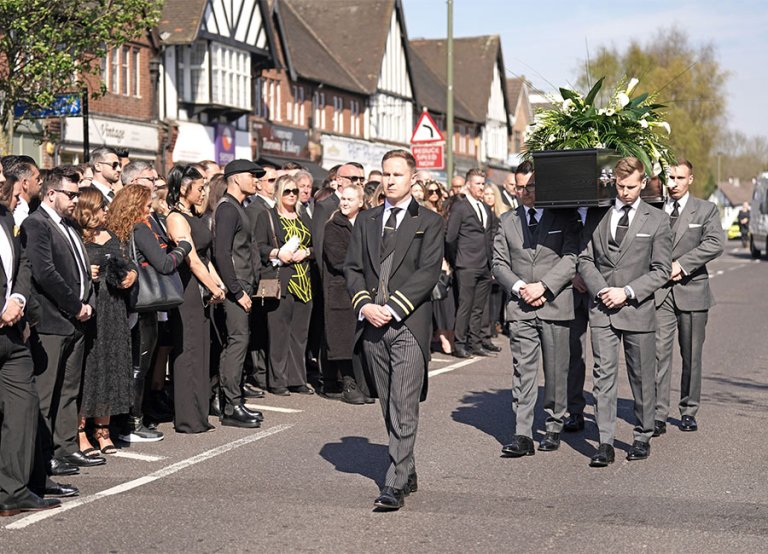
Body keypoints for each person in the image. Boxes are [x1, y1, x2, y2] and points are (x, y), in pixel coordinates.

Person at [344, 149, 444, 511]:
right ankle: (408, 467)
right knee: (388, 403)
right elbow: (352, 268)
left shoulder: (429, 222)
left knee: (404, 402)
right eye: (385, 174)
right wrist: (364, 305)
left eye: (397, 175)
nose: (389, 181)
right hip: (372, 324)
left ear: (412, 179)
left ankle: (395, 482)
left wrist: (392, 308)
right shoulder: (366, 219)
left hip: (408, 324)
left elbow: (428, 272)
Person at [578, 157, 672, 466]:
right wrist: (601, 289)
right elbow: (585, 258)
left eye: (631, 186)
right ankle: (605, 442)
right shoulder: (598, 214)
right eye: (620, 186)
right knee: (603, 376)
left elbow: (661, 270)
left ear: (643, 183)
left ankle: (642, 435)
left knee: (641, 376)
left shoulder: (657, 220)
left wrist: (627, 292)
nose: (625, 192)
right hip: (602, 308)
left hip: (637, 309)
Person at [492, 171, 579, 456]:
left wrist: (543, 286)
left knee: (556, 371)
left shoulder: (564, 217)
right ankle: (523, 434)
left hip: (555, 304)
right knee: (523, 371)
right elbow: (499, 264)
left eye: (530, 186)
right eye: (519, 187)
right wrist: (520, 288)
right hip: (521, 307)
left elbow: (571, 258)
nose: (524, 192)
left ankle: (553, 425)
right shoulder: (507, 220)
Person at [22, 167, 103, 472]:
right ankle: (43, 457)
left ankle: (66, 446)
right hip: (52, 320)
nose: (76, 200)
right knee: (47, 392)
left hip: (76, 320)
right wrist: (75, 305)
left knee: (69, 389)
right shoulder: (36, 224)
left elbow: (80, 269)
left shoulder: (68, 224)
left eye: (77, 194)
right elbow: (44, 273)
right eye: (71, 194)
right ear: (51, 193)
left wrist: (88, 303)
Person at [0, 162, 63, 517]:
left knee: (23, 409)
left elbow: (23, 264)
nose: (3, 180)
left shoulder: (6, 218)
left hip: (12, 333)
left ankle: (12, 491)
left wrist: (17, 299)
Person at [107, 184, 191, 443]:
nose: (149, 209)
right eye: (146, 205)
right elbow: (164, 264)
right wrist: (183, 247)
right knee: (139, 366)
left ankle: (123, 421)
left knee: (129, 364)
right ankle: (133, 423)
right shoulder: (140, 228)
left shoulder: (117, 227)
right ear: (135, 206)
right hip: (144, 305)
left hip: (126, 303)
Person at [654, 160, 724, 436]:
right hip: (659, 294)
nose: (673, 183)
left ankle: (688, 410)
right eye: (670, 177)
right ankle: (657, 414)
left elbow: (715, 243)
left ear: (690, 179)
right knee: (658, 354)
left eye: (680, 178)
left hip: (693, 291)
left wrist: (681, 265)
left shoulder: (706, 210)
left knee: (691, 355)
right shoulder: (653, 208)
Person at [74, 187, 136, 455]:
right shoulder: (75, 236)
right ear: (88, 209)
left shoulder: (111, 234)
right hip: (90, 310)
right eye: (101, 207)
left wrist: (132, 274)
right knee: (88, 370)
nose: (106, 211)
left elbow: (128, 263)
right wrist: (86, 272)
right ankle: (79, 431)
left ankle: (103, 429)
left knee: (111, 366)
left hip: (114, 309)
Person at [165, 166, 226, 433]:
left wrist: (218, 283)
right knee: (189, 351)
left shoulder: (194, 215)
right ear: (183, 188)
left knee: (201, 350)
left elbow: (204, 257)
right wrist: (213, 287)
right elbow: (191, 260)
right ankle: (188, 418)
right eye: (200, 188)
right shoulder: (176, 218)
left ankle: (199, 415)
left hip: (201, 287)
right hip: (187, 289)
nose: (203, 193)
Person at [213, 159, 265, 428]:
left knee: (238, 342)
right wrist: (236, 291)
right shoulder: (227, 208)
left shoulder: (238, 207)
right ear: (234, 178)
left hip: (243, 285)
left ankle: (233, 400)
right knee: (237, 341)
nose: (256, 180)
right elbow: (221, 253)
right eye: (252, 175)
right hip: (235, 288)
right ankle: (231, 405)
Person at [254, 175, 315, 396]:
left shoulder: (303, 215)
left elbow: (317, 245)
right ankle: (278, 380)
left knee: (300, 335)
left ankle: (297, 379)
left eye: (295, 191)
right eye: (287, 191)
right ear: (278, 192)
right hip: (281, 281)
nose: (292, 195)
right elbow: (258, 246)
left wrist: (306, 252)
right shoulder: (267, 216)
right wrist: (277, 252)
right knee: (279, 334)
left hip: (304, 282)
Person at [322, 183, 370, 404]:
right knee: (343, 339)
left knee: (361, 339)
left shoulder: (368, 223)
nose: (345, 203)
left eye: (350, 199)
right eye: (343, 198)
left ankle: (362, 383)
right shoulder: (333, 226)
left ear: (360, 202)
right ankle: (348, 383)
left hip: (365, 288)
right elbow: (338, 259)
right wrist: (366, 267)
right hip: (341, 289)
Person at [445, 168, 499, 358]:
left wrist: (491, 263)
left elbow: (489, 237)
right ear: (468, 185)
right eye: (478, 184)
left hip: (485, 264)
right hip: (466, 264)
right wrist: (456, 261)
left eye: (483, 183)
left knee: (479, 308)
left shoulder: (485, 208)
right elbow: (450, 238)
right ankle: (459, 344)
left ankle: (475, 343)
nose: (481, 187)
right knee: (465, 306)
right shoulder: (460, 207)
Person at [245, 164, 278, 393]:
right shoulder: (255, 209)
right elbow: (255, 245)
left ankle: (268, 371)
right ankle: (259, 372)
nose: (275, 184)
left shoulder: (275, 206)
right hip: (263, 274)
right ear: (259, 184)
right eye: (271, 180)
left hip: (275, 273)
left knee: (269, 327)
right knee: (259, 326)